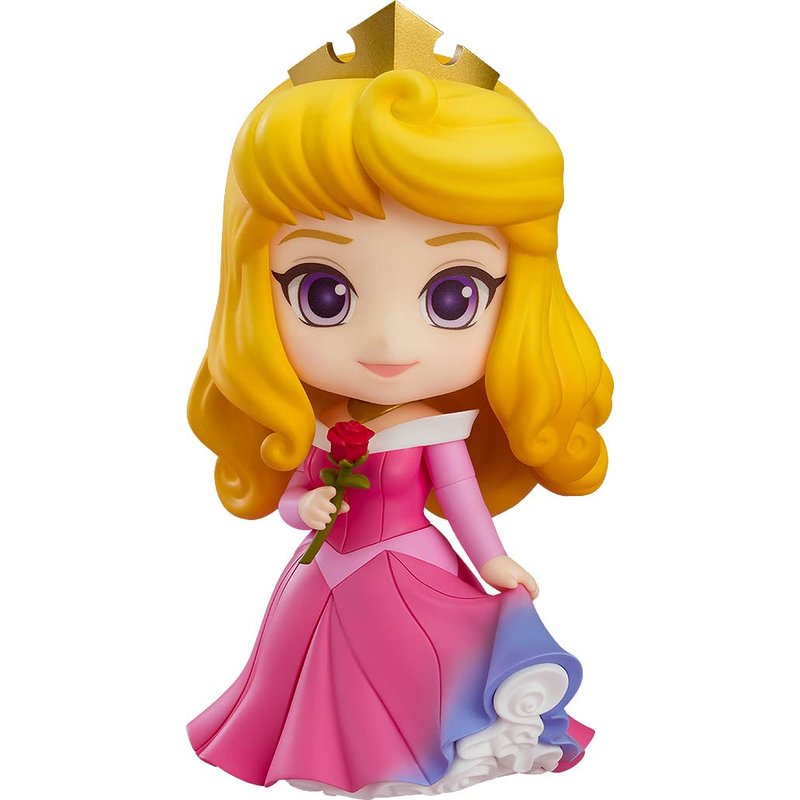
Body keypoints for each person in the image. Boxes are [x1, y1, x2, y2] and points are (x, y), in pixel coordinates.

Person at [185, 4, 613, 796]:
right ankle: (335, 761)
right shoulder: (319, 423)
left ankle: (408, 761)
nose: (386, 341)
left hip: (408, 569)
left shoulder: (437, 429)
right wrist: (302, 506)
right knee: (302, 671)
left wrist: (491, 560)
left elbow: (461, 498)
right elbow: (296, 493)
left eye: (454, 295)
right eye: (322, 291)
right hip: (323, 570)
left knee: (421, 670)